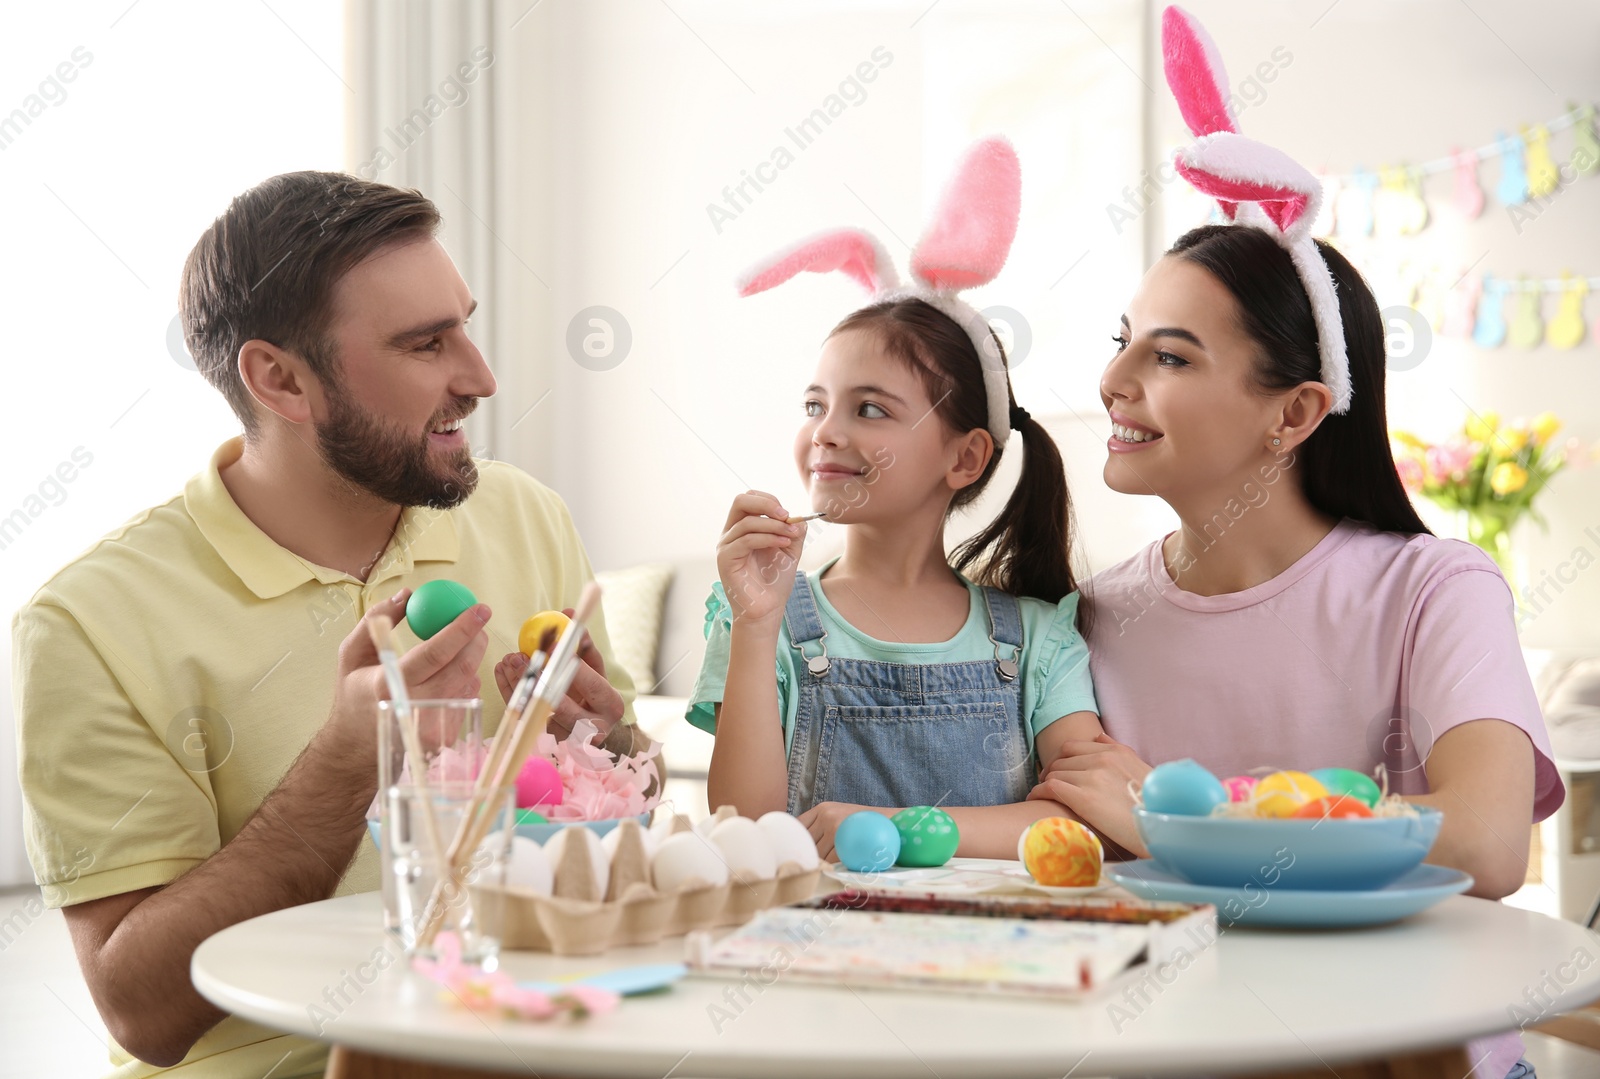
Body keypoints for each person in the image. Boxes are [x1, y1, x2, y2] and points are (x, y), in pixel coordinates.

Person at [12, 172, 640, 1077]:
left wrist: (601, 746)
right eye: (427, 344)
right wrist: (348, 761)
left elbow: (626, 799)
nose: (481, 376)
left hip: (529, 1032)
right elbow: (141, 1009)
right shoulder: (89, 621)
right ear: (280, 379)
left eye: (464, 322)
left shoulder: (523, 513)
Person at [1030, 11, 1561, 1078]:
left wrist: (1172, 815)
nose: (1114, 382)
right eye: (1120, 343)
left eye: (1169, 356)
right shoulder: (1088, 617)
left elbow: (1486, 839)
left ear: (1294, 411)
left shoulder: (1433, 588)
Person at [688, 138, 1104, 860]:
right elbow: (743, 833)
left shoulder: (1040, 640)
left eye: (870, 409)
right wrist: (756, 630)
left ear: (964, 455)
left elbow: (1082, 822)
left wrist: (888, 827)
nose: (826, 433)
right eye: (816, 404)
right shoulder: (763, 622)